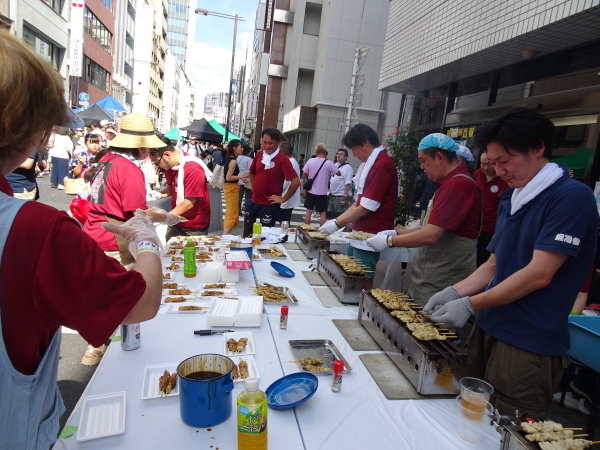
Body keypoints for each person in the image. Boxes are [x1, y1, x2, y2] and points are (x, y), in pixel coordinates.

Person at [0, 31, 169, 449]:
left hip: (88, 239)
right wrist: (146, 241)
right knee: (112, 317)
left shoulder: (102, 160)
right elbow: (136, 225)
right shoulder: (32, 228)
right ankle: (100, 350)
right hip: (15, 430)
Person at [423, 107, 598, 418]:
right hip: (490, 326)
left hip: (529, 341)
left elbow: (538, 275)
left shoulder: (570, 197)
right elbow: (493, 265)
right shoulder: (512, 197)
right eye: (493, 162)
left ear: (538, 148)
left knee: (508, 422)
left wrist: (470, 304)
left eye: (505, 161)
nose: (499, 171)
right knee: (466, 410)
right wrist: (454, 292)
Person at [367, 133, 482, 306]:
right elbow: (428, 226)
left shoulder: (457, 185)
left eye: (423, 160)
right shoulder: (447, 183)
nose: (421, 167)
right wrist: (397, 232)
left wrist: (389, 241)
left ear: (439, 157)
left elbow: (431, 234)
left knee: (431, 327)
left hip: (443, 276)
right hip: (432, 273)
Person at [319, 124, 398, 273]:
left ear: (366, 143)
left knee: (359, 279)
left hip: (370, 235)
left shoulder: (381, 165)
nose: (354, 154)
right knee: (347, 273)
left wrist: (337, 223)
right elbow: (358, 203)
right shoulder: (371, 163)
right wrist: (337, 221)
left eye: (354, 149)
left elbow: (366, 207)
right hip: (360, 232)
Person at [150, 139, 212, 239]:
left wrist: (164, 218)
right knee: (169, 252)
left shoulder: (193, 168)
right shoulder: (170, 166)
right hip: (177, 220)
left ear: (167, 155)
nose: (158, 166)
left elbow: (189, 202)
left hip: (194, 225)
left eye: (157, 162)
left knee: (191, 254)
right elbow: (170, 189)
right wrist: (154, 195)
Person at [246, 128, 301, 227]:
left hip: (270, 204)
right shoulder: (259, 155)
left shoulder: (282, 159)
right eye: (264, 142)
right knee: (248, 233)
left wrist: (284, 198)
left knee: (263, 236)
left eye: (270, 143)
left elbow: (296, 182)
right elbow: (252, 171)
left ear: (278, 143)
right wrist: (254, 188)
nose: (267, 146)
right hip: (254, 201)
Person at [473, 150, 508, 266]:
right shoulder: (478, 174)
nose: (485, 167)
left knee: (484, 261)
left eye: (489, 164)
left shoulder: (504, 180)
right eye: (482, 164)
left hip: (492, 229)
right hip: (475, 226)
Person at [302, 144, 340, 226]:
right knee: (322, 212)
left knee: (309, 211)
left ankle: (306, 229)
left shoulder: (310, 161)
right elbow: (338, 173)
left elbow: (304, 174)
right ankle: (322, 231)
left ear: (316, 152)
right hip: (322, 192)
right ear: (325, 152)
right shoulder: (329, 163)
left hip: (311, 191)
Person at [223, 139, 249, 234]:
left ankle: (225, 236)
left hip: (231, 188)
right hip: (231, 188)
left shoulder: (231, 159)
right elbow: (228, 177)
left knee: (232, 213)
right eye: (240, 147)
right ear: (234, 148)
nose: (242, 149)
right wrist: (242, 176)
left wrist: (241, 178)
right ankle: (224, 237)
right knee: (232, 214)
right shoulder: (233, 161)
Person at [278, 142, 302, 224]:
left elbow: (287, 182)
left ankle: (285, 236)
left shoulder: (289, 162)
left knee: (283, 221)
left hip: (286, 196)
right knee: (284, 220)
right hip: (288, 196)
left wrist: (281, 195)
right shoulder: (292, 161)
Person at [328, 148, 354, 218]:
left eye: (341, 154)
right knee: (330, 215)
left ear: (345, 157)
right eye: (338, 154)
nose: (338, 156)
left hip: (340, 196)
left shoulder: (347, 167)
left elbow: (348, 182)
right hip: (332, 194)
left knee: (339, 216)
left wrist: (345, 195)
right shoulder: (335, 165)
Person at [237, 144, 253, 213]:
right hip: (247, 179)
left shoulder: (237, 157)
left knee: (239, 196)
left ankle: (238, 210)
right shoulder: (249, 159)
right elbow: (251, 170)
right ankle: (247, 211)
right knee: (247, 196)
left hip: (239, 178)